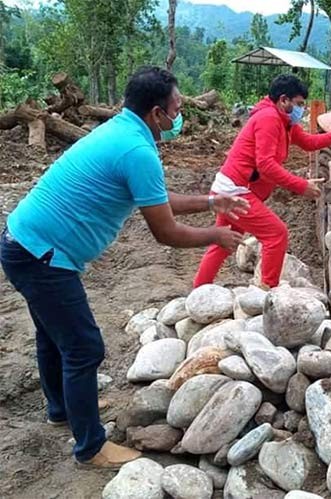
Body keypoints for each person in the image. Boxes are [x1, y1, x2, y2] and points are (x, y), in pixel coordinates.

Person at [0, 66, 249, 468]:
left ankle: (62, 409)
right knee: (84, 347)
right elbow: (165, 231)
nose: (179, 115)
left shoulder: (123, 132)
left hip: (24, 242)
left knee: (53, 336)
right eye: (177, 107)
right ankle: (90, 447)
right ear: (156, 113)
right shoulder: (137, 150)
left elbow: (153, 197)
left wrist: (210, 202)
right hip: (42, 256)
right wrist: (215, 236)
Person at [193, 74, 331, 289]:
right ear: (283, 100)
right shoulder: (269, 119)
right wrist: (301, 185)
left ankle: (199, 290)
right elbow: (265, 164)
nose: (301, 110)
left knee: (223, 242)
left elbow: (309, 142)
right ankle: (267, 292)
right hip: (236, 191)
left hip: (231, 187)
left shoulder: (284, 121)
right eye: (299, 104)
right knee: (276, 234)